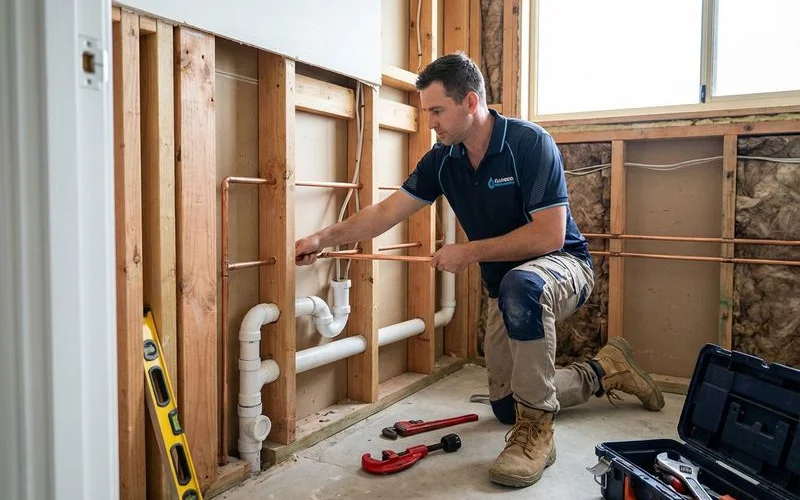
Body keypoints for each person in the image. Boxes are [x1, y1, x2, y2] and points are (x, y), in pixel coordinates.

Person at [295, 53, 664, 489]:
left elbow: (549, 235)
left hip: (564, 266)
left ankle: (537, 435)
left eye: (436, 111)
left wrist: (469, 252)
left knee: (519, 286)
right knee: (507, 406)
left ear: (470, 102)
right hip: (507, 287)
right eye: (426, 112)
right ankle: (604, 371)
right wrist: (322, 239)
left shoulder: (528, 143)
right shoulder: (444, 159)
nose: (430, 122)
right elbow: (385, 212)